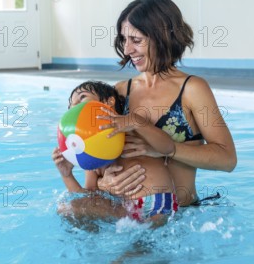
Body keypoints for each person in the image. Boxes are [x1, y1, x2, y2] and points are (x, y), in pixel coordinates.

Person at [95, 0, 237, 206]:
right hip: (128, 215)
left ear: (162, 38)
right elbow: (99, 155)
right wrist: (103, 184)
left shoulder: (191, 89)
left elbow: (227, 159)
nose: (127, 50)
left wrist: (167, 149)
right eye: (124, 40)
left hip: (179, 218)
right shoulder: (122, 91)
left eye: (136, 40)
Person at [53, 80, 178, 223]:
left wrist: (136, 121)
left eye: (82, 98)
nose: (74, 106)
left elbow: (169, 148)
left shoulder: (133, 131)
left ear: (108, 102)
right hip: (124, 210)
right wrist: (67, 175)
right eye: (70, 105)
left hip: (156, 203)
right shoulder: (91, 150)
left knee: (141, 241)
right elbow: (88, 198)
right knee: (68, 208)